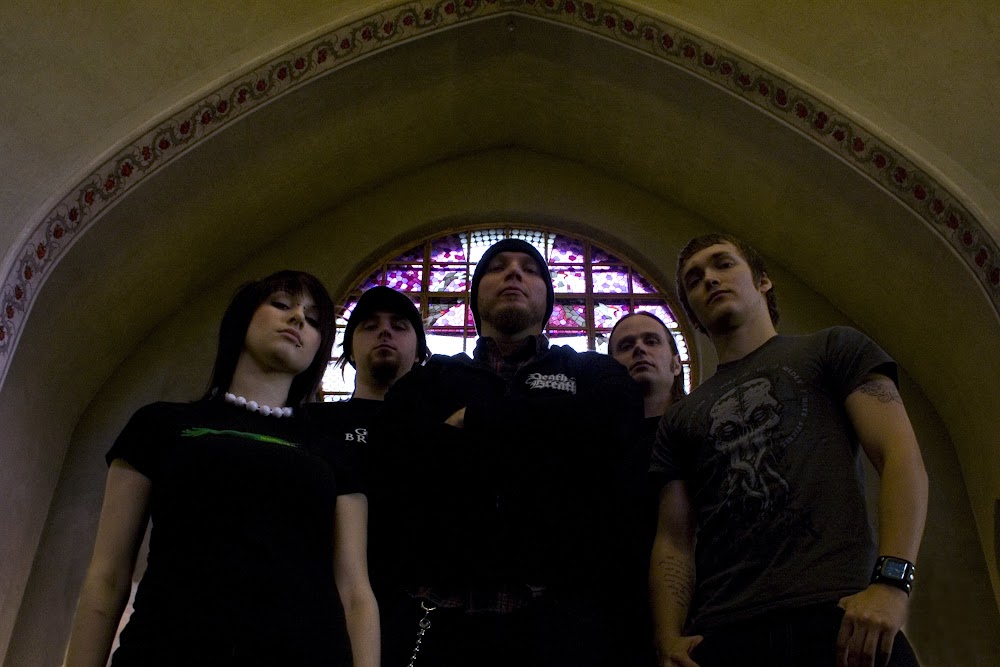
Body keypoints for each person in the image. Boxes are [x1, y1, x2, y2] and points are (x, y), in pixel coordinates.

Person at [65, 271, 379, 667]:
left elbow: (355, 592)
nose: (298, 318)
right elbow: (108, 576)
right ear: (242, 319)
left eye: (314, 320)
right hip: (168, 651)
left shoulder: (332, 448)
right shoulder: (160, 424)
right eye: (281, 304)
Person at [649, 234, 928, 667]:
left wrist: (891, 585)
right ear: (693, 315)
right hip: (726, 631)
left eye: (723, 264)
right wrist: (668, 639)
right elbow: (674, 539)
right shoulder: (681, 417)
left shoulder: (832, 348)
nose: (710, 279)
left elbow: (899, 457)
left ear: (763, 281)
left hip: (840, 615)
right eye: (694, 279)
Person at [374, 239, 643, 666]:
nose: (514, 273)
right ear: (474, 298)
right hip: (442, 620)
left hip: (560, 621)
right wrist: (548, 437)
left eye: (530, 269)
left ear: (548, 301)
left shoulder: (592, 373)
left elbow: (610, 443)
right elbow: (402, 470)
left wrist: (475, 421)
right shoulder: (428, 381)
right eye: (497, 267)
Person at [608, 311, 688, 666]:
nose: (639, 349)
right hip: (614, 619)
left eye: (651, 341)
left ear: (676, 363)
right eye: (626, 346)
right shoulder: (597, 446)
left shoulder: (703, 431)